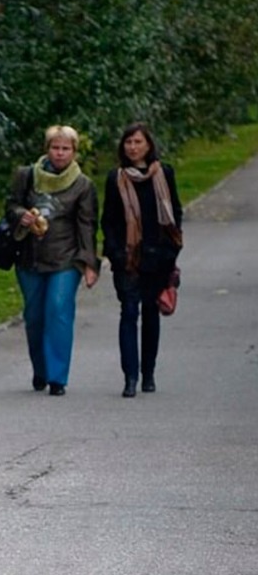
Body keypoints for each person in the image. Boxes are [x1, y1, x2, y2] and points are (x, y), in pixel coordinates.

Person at [5, 124, 100, 396]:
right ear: (47, 149)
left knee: (58, 310)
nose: (60, 153)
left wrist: (89, 263)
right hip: (30, 258)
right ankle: (41, 370)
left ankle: (58, 377)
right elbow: (11, 205)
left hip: (66, 260)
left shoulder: (83, 185)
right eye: (55, 148)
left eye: (65, 148)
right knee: (34, 316)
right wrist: (21, 215)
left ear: (74, 152)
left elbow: (87, 225)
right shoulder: (26, 176)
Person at [101, 123, 183, 398]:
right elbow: (109, 220)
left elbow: (175, 213)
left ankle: (148, 373)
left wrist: (170, 251)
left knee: (150, 313)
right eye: (128, 142)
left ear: (148, 145)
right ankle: (130, 377)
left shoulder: (164, 174)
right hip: (127, 258)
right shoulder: (116, 178)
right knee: (128, 312)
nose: (133, 147)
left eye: (138, 142)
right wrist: (115, 253)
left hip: (158, 257)